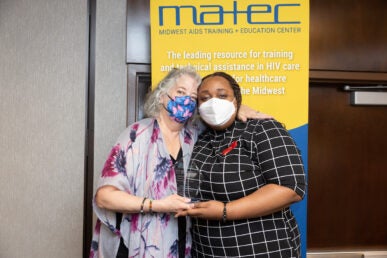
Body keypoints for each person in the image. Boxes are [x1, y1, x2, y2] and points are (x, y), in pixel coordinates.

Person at [89, 67, 271, 258]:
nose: (187, 101)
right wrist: (157, 205)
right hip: (135, 244)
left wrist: (239, 107)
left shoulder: (195, 135)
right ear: (161, 96)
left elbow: (218, 112)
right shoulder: (136, 135)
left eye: (193, 97)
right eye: (181, 92)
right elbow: (104, 197)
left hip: (183, 242)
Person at [176, 71, 306, 257]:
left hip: (263, 250)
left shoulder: (262, 129)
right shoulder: (198, 140)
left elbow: (291, 188)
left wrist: (225, 211)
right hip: (207, 250)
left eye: (222, 96)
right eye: (205, 98)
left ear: (236, 100)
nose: (213, 104)